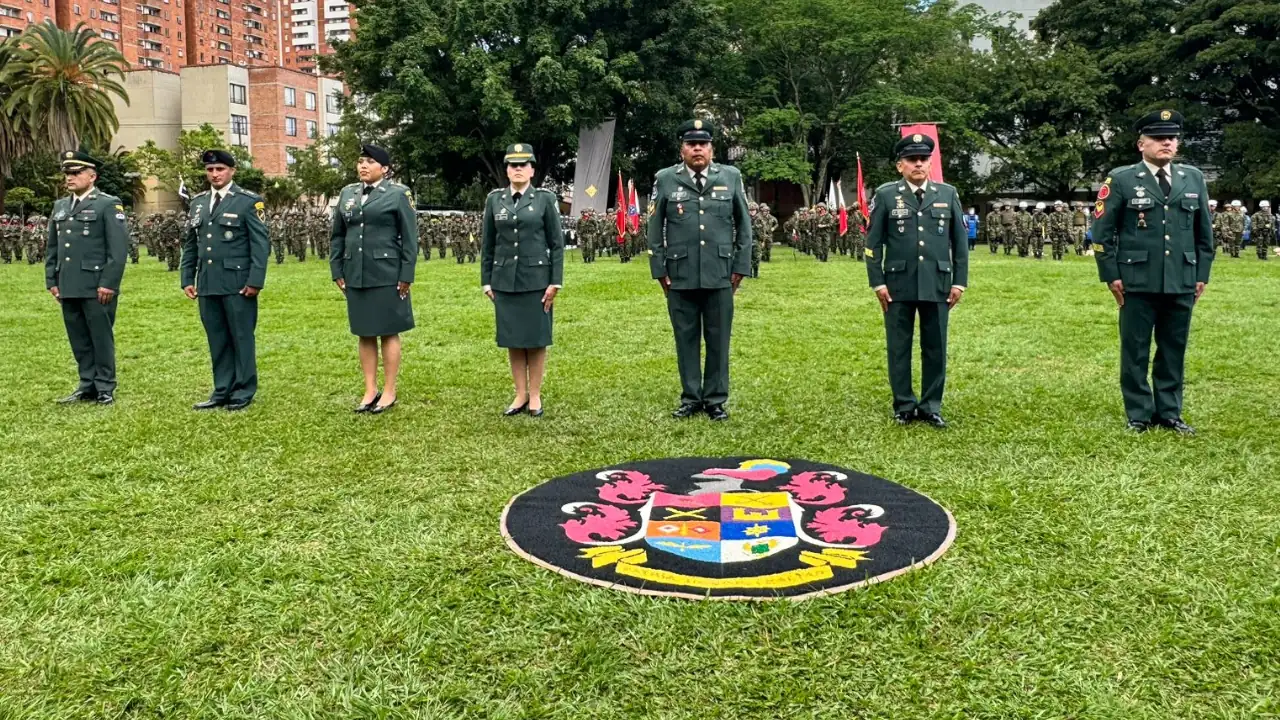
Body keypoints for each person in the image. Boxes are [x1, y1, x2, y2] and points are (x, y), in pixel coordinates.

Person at [1090, 110, 1213, 435]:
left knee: (1174, 348)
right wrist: (1110, 274)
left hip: (1181, 279)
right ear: (1141, 143)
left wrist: (1202, 274)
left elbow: (1205, 234)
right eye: (1159, 138)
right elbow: (1101, 232)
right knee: (1136, 349)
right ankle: (1139, 414)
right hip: (1136, 280)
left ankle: (1170, 412)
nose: (1167, 143)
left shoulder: (1193, 178)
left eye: (1172, 137)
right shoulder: (1121, 179)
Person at [647, 119, 752, 421]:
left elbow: (744, 226)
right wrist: (659, 268)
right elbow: (654, 229)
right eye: (691, 144)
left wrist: (741, 266)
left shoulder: (730, 176)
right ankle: (691, 397)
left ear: (711, 148)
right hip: (679, 272)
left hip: (720, 271)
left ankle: (716, 398)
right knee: (686, 337)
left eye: (702, 144)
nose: (697, 149)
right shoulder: (666, 179)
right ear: (682, 149)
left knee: (719, 338)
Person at [865, 133, 968, 428]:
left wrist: (959, 282)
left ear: (930, 163)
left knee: (936, 346)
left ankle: (931, 405)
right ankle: (904, 405)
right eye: (912, 160)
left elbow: (959, 244)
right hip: (897, 285)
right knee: (899, 346)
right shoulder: (886, 195)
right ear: (901, 165)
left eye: (923, 159)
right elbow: (873, 244)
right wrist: (878, 282)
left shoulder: (947, 194)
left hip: (938, 283)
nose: (918, 164)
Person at [329, 144, 418, 414]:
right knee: (364, 332)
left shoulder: (399, 194)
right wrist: (337, 269)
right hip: (355, 271)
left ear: (385, 168)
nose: (363, 166)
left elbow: (410, 237)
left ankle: (389, 390)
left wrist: (406, 274)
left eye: (369, 161)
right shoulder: (347, 194)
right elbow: (338, 235)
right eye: (360, 161)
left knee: (389, 330)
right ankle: (370, 389)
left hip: (387, 274)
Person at [180, 149, 270, 412]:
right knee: (217, 338)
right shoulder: (198, 202)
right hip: (208, 282)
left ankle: (243, 389)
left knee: (241, 336)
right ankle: (222, 389)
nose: (214, 174)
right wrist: (187, 277)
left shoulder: (248, 201)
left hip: (237, 282)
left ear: (232, 171)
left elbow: (260, 245)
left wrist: (255, 281)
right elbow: (192, 244)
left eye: (219, 169)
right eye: (210, 170)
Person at [481, 143, 564, 418]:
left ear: (532, 170)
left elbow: (556, 243)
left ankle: (536, 395)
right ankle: (520, 394)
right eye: (512, 165)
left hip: (537, 280)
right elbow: (488, 244)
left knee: (536, 339)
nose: (517, 169)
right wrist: (486, 281)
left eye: (523, 164)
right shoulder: (495, 200)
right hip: (504, 280)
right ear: (506, 170)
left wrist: (555, 281)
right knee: (514, 340)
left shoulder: (544, 199)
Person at [45, 151, 128, 405]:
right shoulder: (60, 206)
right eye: (67, 173)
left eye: (76, 173)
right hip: (69, 283)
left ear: (92, 177)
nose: (69, 177)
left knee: (100, 337)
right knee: (79, 337)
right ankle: (86, 384)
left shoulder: (107, 203)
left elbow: (118, 249)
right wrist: (52, 280)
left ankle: (105, 386)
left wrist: (108, 283)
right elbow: (53, 246)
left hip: (96, 284)